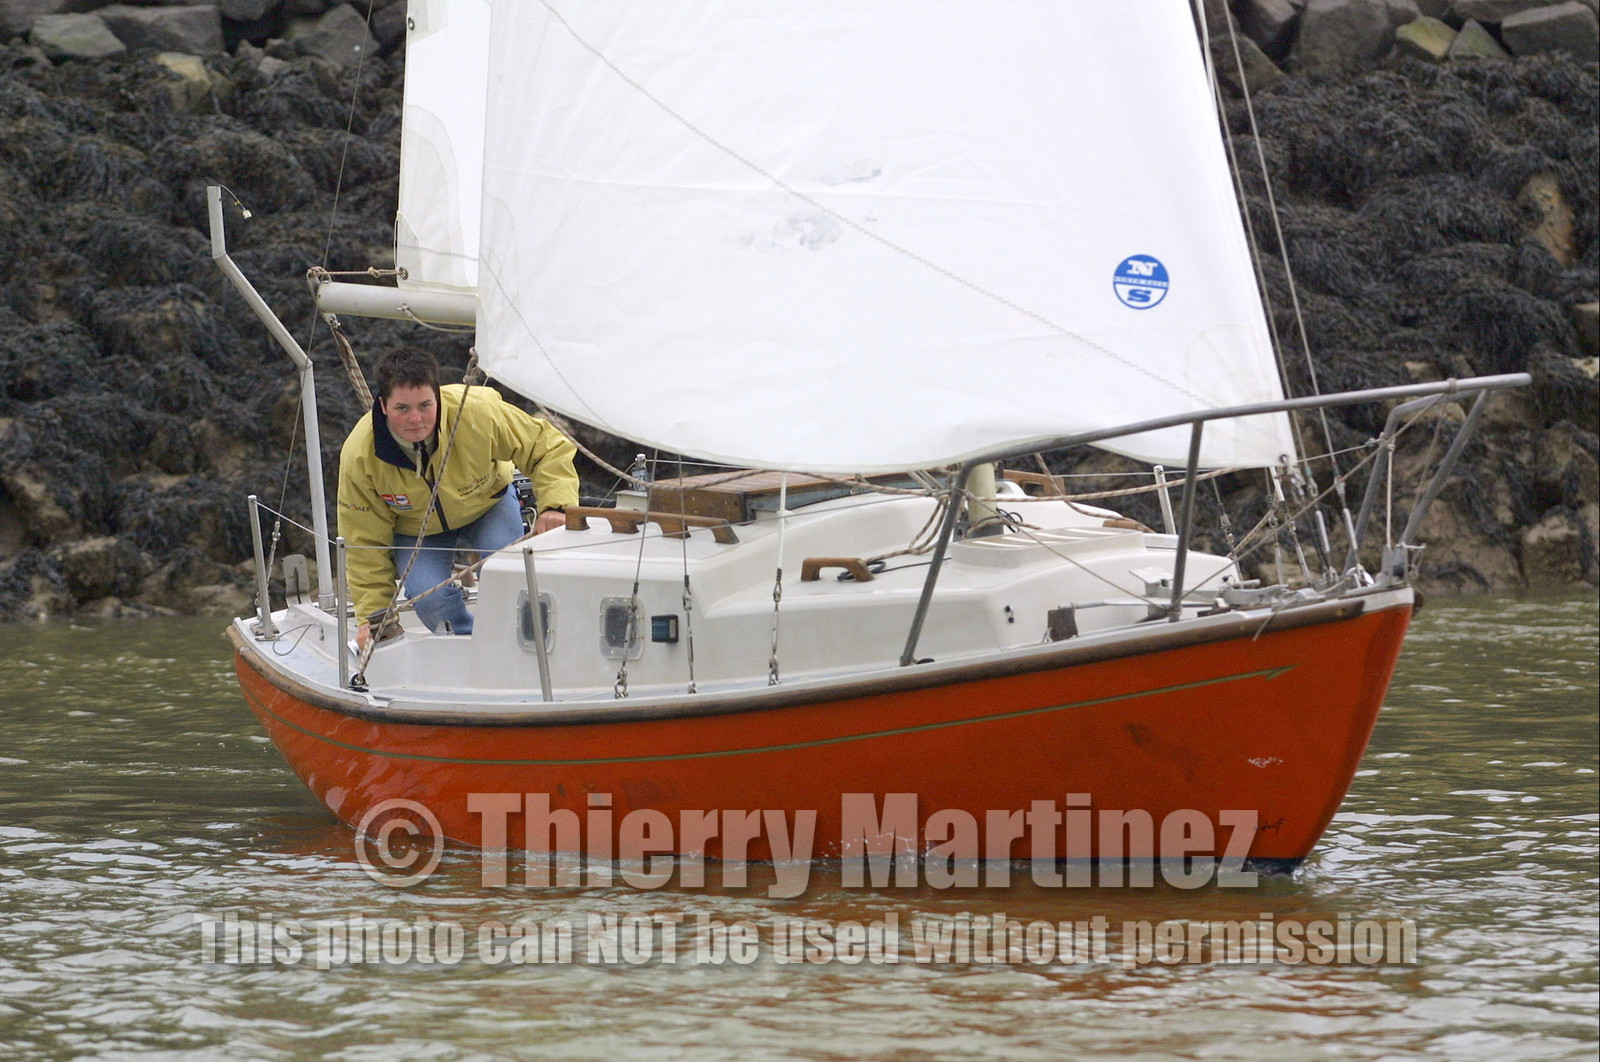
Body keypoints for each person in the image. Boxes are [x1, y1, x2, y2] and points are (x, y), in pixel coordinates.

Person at [337, 348, 579, 651]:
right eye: (402, 408)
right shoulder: (360, 456)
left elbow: (547, 447)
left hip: (488, 505)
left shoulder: (478, 411)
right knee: (431, 601)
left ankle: (519, 645)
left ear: (437, 397)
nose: (416, 419)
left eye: (425, 405)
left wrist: (555, 507)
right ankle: (471, 645)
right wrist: (374, 617)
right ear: (383, 406)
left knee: (506, 579)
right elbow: (365, 541)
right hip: (415, 527)